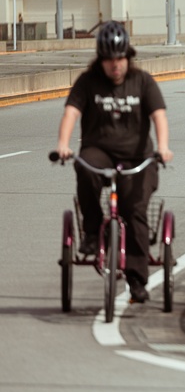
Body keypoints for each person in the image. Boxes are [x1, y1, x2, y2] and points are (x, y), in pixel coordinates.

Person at [56, 21, 173, 304]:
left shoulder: (142, 81)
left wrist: (163, 147)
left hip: (138, 156)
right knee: (84, 166)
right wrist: (63, 144)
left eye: (119, 58)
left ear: (128, 56)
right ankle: (93, 233)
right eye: (109, 59)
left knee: (134, 210)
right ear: (101, 60)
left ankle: (136, 278)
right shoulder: (88, 82)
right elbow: (71, 112)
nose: (115, 65)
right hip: (99, 150)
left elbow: (159, 115)